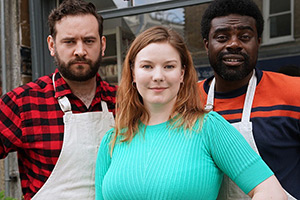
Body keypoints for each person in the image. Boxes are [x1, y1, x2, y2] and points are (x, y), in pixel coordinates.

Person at [95, 26, 286, 200]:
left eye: (169, 66)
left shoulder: (208, 128)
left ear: (182, 74)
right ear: (133, 73)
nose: (158, 76)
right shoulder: (113, 140)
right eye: (147, 66)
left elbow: (271, 191)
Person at [0, 0, 116, 199]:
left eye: (89, 41)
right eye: (69, 41)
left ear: (102, 45)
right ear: (52, 45)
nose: (80, 51)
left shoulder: (123, 101)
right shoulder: (24, 102)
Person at [197, 0, 300, 199]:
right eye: (222, 37)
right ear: (207, 44)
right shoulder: (184, 102)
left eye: (245, 36)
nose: (234, 44)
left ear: (258, 41)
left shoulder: (294, 92)